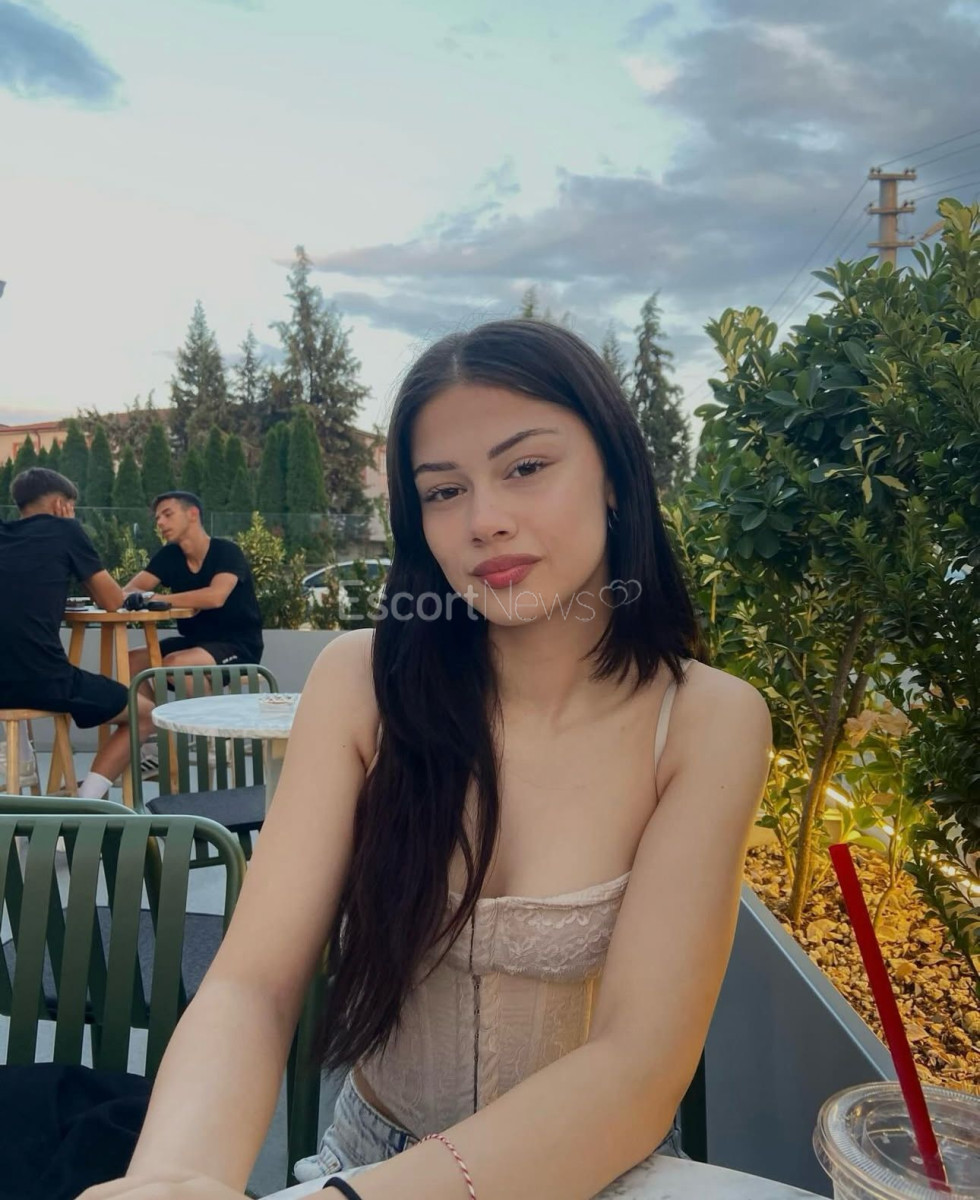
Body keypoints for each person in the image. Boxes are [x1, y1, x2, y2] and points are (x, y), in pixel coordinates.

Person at [83, 321, 771, 1200]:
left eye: (526, 467)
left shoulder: (706, 721)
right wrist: (173, 1178)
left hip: (594, 1174)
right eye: (444, 491)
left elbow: (637, 1066)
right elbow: (252, 984)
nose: (484, 520)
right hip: (366, 1160)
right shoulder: (363, 684)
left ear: (614, 476)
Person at [0, 467, 155, 799]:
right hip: (41, 680)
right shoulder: (66, 531)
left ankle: (22, 782)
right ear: (62, 505)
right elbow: (113, 601)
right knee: (145, 713)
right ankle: (87, 801)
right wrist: (70, 527)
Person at [125, 491, 264, 678]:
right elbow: (129, 590)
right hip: (194, 641)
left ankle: (204, 699)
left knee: (175, 664)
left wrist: (157, 599)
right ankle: (153, 702)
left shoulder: (227, 552)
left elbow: (215, 597)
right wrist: (144, 598)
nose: (160, 523)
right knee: (131, 660)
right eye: (157, 518)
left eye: (168, 515)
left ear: (193, 514)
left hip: (238, 645)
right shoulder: (170, 555)